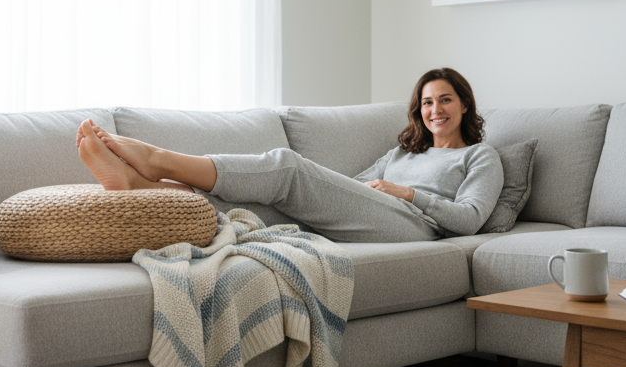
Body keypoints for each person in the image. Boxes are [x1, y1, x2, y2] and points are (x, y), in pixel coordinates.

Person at [76, 67, 503, 243]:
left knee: (287, 166)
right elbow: (352, 189)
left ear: (464, 104)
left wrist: (408, 194)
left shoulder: (481, 157)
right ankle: (144, 187)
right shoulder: (401, 152)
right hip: (373, 211)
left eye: (445, 101)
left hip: (416, 228)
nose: (435, 111)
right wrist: (345, 190)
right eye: (428, 103)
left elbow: (469, 219)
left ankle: (159, 159)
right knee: (259, 207)